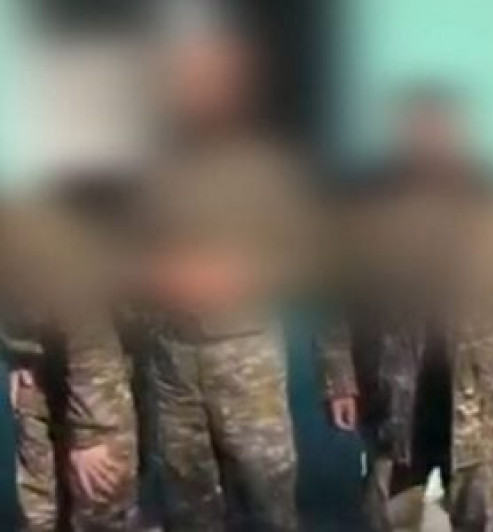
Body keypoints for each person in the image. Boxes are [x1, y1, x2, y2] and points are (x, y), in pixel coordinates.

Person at [319, 89, 493, 531]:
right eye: (420, 130)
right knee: (391, 514)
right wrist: (339, 381)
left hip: (478, 394)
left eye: (441, 130)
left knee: (482, 512)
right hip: (394, 393)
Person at [137, 24, 320, 532]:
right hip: (171, 366)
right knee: (186, 506)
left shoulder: (267, 169)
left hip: (244, 364)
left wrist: (240, 273)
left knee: (266, 503)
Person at [1, 177, 139, 531]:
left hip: (99, 370)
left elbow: (91, 335)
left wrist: (93, 436)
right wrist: (20, 355)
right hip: (45, 360)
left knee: (98, 497)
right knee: (40, 507)